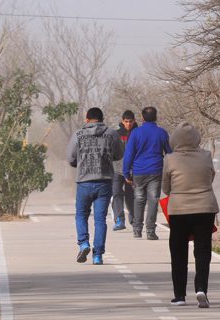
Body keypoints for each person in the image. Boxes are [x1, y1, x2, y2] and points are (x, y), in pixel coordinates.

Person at [162, 121, 219, 308]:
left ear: (174, 140)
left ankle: (179, 296)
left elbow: (166, 188)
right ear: (197, 139)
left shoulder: (170, 159)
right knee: (203, 251)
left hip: (179, 210)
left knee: (178, 253)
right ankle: (201, 289)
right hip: (205, 208)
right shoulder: (206, 156)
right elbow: (210, 178)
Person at [66, 107, 124, 265]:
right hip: (104, 182)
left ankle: (84, 243)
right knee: (100, 220)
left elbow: (71, 158)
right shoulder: (112, 134)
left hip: (84, 182)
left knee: (81, 215)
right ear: (101, 119)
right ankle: (98, 255)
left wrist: (80, 163)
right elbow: (119, 154)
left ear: (87, 119)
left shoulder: (78, 134)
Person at [122, 106, 172, 240]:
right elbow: (170, 153)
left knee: (138, 200)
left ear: (142, 118)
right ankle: (150, 231)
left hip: (138, 172)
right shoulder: (162, 133)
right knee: (153, 200)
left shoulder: (136, 133)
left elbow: (128, 154)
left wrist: (126, 173)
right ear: (156, 117)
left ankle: (137, 229)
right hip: (155, 171)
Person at [111, 110, 137, 231]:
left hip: (133, 170)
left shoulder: (138, 133)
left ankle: (134, 219)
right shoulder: (116, 134)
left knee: (131, 196)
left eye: (130, 121)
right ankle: (119, 219)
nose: (128, 124)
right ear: (122, 121)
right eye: (126, 121)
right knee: (116, 193)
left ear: (134, 121)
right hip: (117, 169)